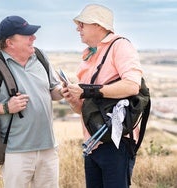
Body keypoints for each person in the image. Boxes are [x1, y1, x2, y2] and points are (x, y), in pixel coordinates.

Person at [0, 15, 63, 188]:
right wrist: (5, 107)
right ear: (10, 42)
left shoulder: (40, 57)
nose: (34, 38)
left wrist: (64, 92)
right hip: (17, 153)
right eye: (27, 35)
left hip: (48, 148)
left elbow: (53, 91)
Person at [60, 4, 142, 188]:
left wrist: (87, 90)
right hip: (92, 143)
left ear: (98, 25)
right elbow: (85, 108)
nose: (77, 28)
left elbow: (132, 85)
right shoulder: (89, 55)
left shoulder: (120, 45)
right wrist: (74, 99)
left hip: (116, 142)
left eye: (82, 24)